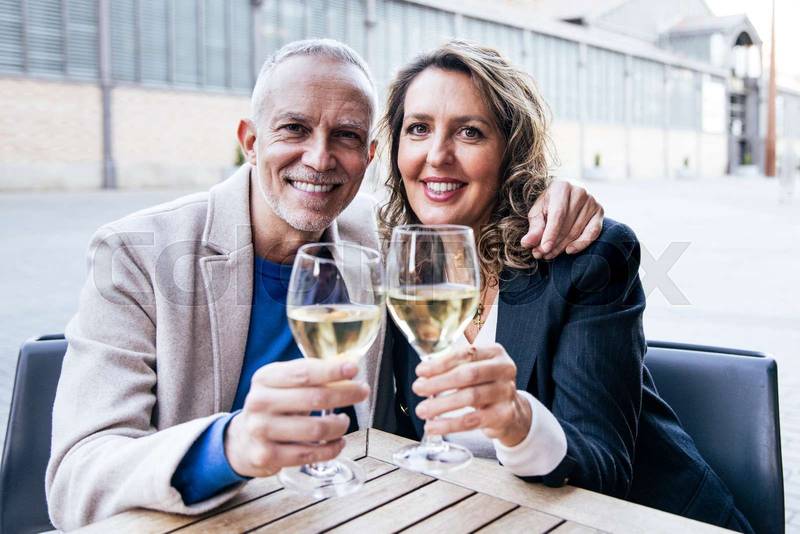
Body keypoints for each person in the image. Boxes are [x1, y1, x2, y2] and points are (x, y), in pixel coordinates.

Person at [45, 39, 603, 530]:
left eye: (345, 135)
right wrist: (231, 445)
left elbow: (467, 198)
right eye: (293, 128)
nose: (318, 158)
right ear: (250, 139)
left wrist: (548, 192)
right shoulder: (135, 253)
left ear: (369, 157)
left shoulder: (388, 242)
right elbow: (75, 481)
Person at [373, 40, 753, 533]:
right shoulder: (396, 264)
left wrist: (516, 420)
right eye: (418, 129)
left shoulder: (584, 258)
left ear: (509, 150)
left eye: (470, 132)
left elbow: (604, 470)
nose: (437, 155)